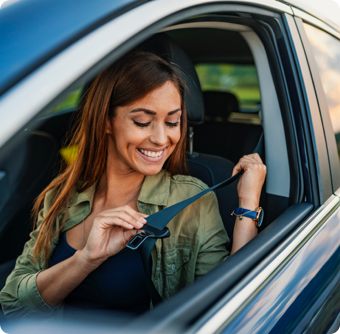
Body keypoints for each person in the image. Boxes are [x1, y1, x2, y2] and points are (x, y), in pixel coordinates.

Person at [0, 51, 266, 320]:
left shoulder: (192, 198)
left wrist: (247, 204)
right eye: (142, 122)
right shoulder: (61, 196)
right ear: (106, 121)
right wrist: (85, 260)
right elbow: (13, 303)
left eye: (173, 122)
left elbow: (231, 304)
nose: (162, 138)